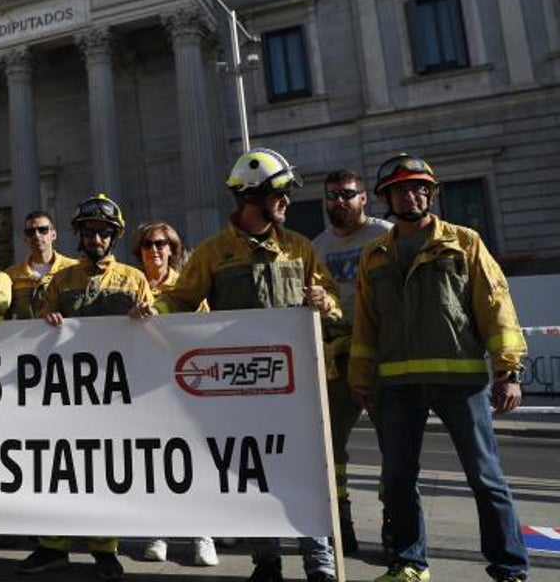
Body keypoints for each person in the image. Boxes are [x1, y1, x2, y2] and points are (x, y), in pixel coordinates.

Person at [155, 148, 340, 582]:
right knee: (253, 475)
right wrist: (151, 310)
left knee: (307, 472)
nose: (287, 202)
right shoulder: (213, 253)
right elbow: (180, 300)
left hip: (296, 385)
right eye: (279, 194)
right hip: (241, 388)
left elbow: (331, 301)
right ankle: (267, 563)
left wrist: (324, 301)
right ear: (251, 196)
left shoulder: (299, 248)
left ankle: (321, 565)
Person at [350, 154, 528, 582]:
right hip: (396, 385)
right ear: (386, 199)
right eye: (401, 189)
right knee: (398, 481)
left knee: (486, 479)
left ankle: (509, 569)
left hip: (460, 383)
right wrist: (360, 377)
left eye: (419, 188)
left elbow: (495, 304)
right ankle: (409, 563)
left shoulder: (464, 242)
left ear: (430, 194)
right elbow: (366, 323)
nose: (411, 195)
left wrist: (508, 371)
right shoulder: (374, 255)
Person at [17, 194, 152, 582]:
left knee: (104, 471)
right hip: (67, 395)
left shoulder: (133, 278)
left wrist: (143, 317)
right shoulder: (63, 280)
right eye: (90, 232)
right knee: (59, 469)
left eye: (104, 233)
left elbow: (153, 329)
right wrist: (50, 318)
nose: (96, 239)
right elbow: (37, 329)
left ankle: (104, 549)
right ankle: (52, 546)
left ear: (114, 236)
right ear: (79, 235)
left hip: (114, 396)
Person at [310, 169, 394, 554]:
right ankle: (341, 526)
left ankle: (395, 522)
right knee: (330, 447)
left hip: (381, 353)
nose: (338, 202)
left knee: (394, 444)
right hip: (336, 356)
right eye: (331, 196)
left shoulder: (385, 235)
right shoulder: (317, 246)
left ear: (364, 198)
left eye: (347, 194)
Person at [132, 221, 218, 568]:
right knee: (153, 461)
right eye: (149, 244)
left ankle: (203, 534)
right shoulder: (131, 283)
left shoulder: (188, 287)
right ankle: (159, 531)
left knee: (193, 460)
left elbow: (203, 332)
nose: (156, 249)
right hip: (142, 387)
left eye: (163, 244)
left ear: (173, 249)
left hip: (183, 384)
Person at [4, 211, 77, 320]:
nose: (37, 235)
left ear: (54, 234)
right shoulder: (11, 275)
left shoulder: (73, 269)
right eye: (30, 232)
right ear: (25, 238)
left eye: (43, 230)